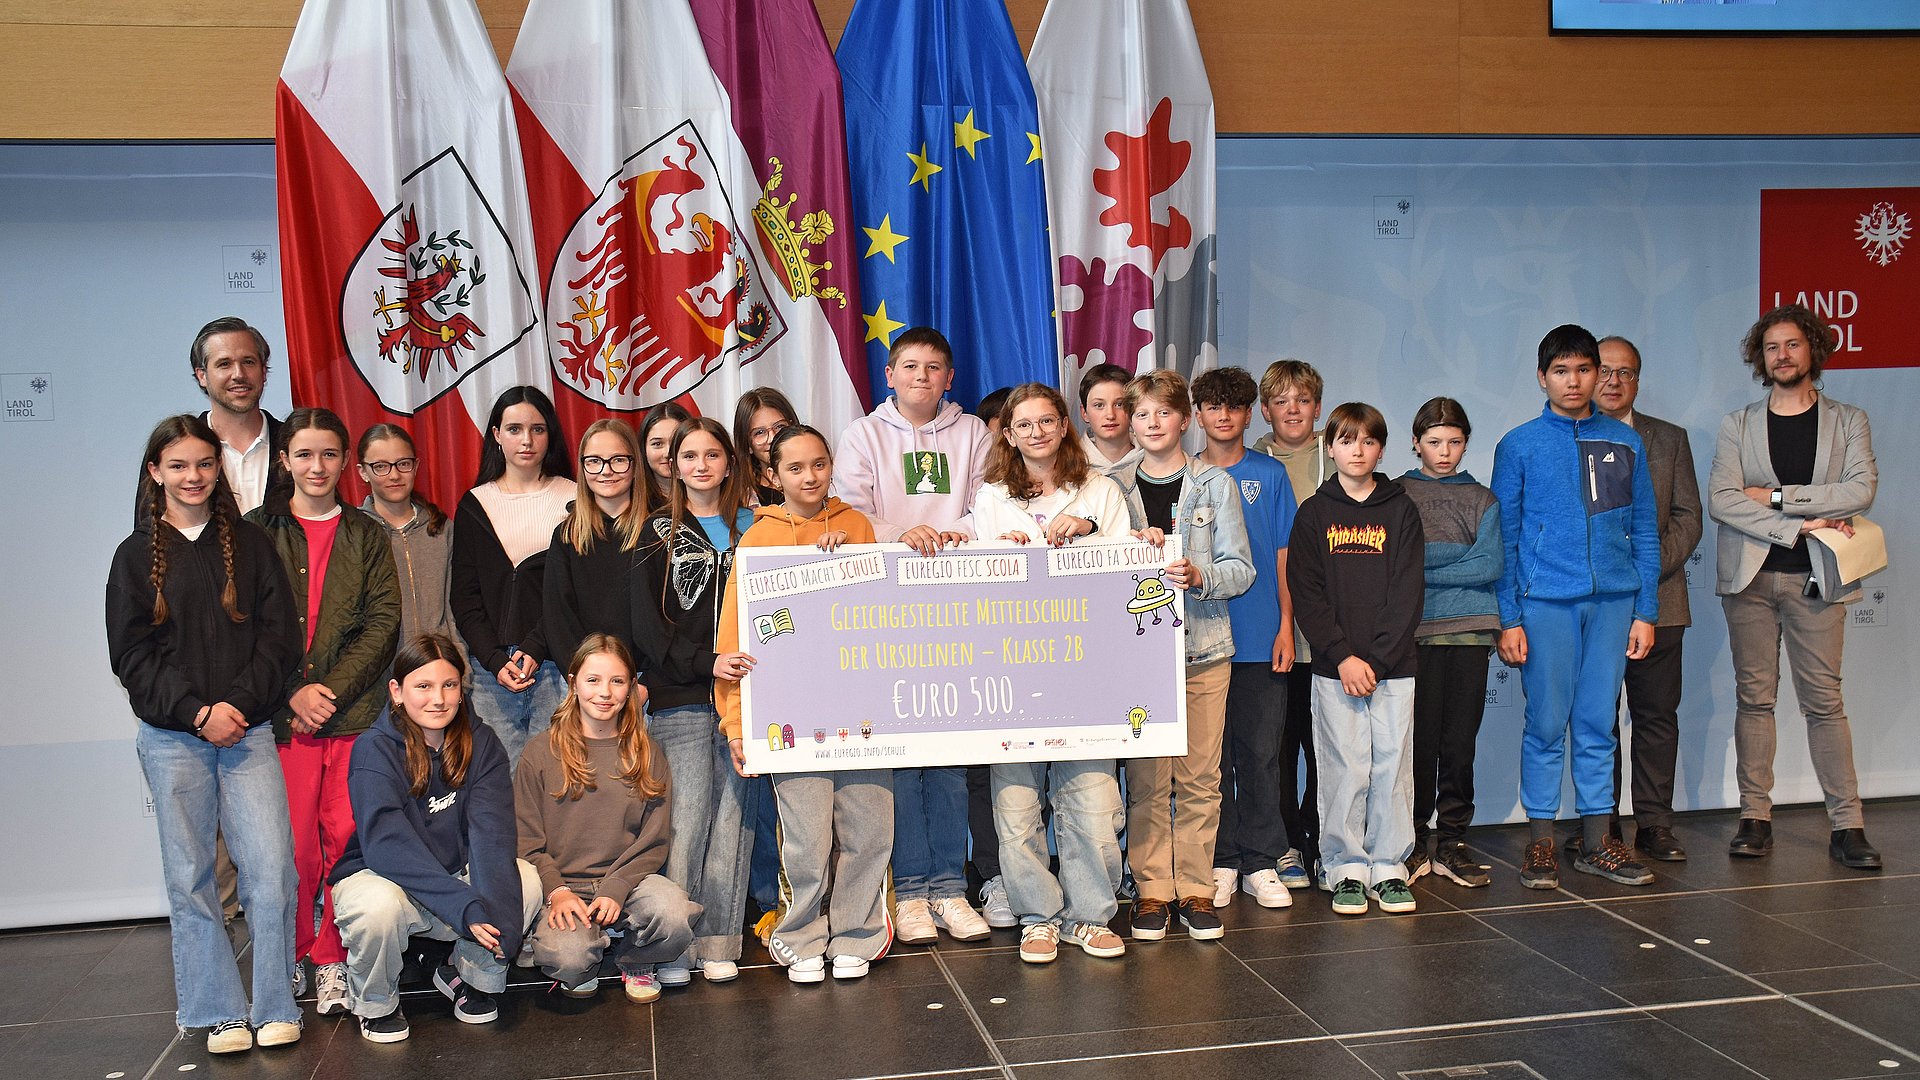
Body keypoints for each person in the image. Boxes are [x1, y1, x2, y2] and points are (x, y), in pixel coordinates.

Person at [107, 415, 303, 1054]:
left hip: (246, 734)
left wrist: (238, 708)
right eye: (179, 466)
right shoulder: (134, 556)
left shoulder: (249, 544)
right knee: (191, 877)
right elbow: (131, 658)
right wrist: (196, 713)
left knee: (271, 870)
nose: (193, 477)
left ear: (219, 471)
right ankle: (219, 1010)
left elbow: (279, 639)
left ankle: (275, 1004)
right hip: (173, 740)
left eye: (204, 464)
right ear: (154, 472)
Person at [716, 425, 894, 983]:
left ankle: (858, 933)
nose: (810, 477)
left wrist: (848, 566)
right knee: (806, 837)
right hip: (790, 716)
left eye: (819, 465)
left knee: (869, 828)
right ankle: (799, 936)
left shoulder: (856, 525)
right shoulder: (757, 540)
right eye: (795, 468)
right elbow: (734, 640)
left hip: (861, 710)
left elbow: (885, 613)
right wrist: (735, 722)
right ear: (772, 476)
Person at [833, 326, 992, 946]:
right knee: (901, 755)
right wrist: (905, 535)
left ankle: (950, 886)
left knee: (950, 758)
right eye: (909, 366)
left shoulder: (974, 431)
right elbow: (852, 513)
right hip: (889, 610)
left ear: (949, 378)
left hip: (957, 609)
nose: (922, 376)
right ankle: (913, 888)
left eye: (934, 368)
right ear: (890, 374)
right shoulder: (862, 435)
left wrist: (956, 533)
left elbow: (988, 504)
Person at [1708, 304, 1881, 870]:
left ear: (1814, 350)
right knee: (1754, 701)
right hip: (1752, 581)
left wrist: (1779, 497)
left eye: (1792, 345)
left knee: (1825, 705)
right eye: (1772, 347)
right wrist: (1798, 524)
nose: (1782, 356)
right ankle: (1754, 819)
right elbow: (1723, 500)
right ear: (1760, 358)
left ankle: (1847, 825)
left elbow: (1858, 492)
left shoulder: (1848, 420)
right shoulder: (1738, 424)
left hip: (1818, 580)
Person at [246, 408, 402, 1017]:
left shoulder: (367, 535)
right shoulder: (258, 531)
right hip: (283, 718)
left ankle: (332, 959)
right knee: (291, 849)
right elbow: (250, 624)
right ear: (284, 460)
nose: (317, 467)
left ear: (346, 463)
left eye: (329, 455)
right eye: (304, 454)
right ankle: (290, 951)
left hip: (352, 717)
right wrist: (292, 692)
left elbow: (382, 623)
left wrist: (327, 692)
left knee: (343, 842)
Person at [1494, 324, 1660, 890]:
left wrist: (1646, 609)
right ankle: (1540, 843)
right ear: (1543, 378)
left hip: (1615, 603)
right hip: (1545, 605)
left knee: (1597, 724)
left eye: (1584, 370)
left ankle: (1597, 842)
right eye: (1561, 371)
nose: (1573, 381)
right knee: (1545, 723)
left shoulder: (1624, 441)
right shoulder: (1518, 444)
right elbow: (1506, 539)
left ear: (1600, 375)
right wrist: (1510, 618)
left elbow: (1643, 529)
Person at [971, 383, 1132, 963]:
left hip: (1088, 671)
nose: (1036, 432)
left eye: (1047, 421)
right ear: (1008, 434)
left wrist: (1089, 534)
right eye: (1024, 424)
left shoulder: (1100, 490)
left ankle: (1090, 916)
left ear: (1065, 425)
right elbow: (965, 582)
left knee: (1090, 798)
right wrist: (994, 550)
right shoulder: (990, 499)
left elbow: (1134, 571)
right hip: (1011, 669)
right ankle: (1037, 915)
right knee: (1015, 804)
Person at [329, 634, 543, 1042]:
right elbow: (387, 845)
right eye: (423, 686)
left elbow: (492, 837)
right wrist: (463, 905)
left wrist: (495, 915)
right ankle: (377, 1003)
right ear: (397, 691)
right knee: (377, 908)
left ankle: (469, 974)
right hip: (386, 876)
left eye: (449, 685)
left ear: (462, 691)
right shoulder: (373, 749)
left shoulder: (482, 745)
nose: (438, 699)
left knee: (525, 880)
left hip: (454, 875)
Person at [1112, 370, 1255, 942]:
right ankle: (1151, 891)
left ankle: (1195, 887)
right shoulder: (1110, 484)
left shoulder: (1213, 485)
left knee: (1199, 775)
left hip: (1203, 648)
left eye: (1163, 414)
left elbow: (1241, 570)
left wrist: (1200, 575)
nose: (1151, 424)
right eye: (1141, 415)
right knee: (1148, 780)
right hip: (1137, 657)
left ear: (1184, 420)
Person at [631, 417, 761, 985]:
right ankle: (674, 946)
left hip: (749, 697)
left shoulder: (757, 527)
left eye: (713, 454)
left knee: (735, 819)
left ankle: (719, 940)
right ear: (673, 465)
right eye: (689, 456)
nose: (701, 465)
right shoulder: (652, 532)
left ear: (730, 463)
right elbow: (645, 626)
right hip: (680, 696)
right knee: (684, 821)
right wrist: (702, 663)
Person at [1287, 402, 1426, 916]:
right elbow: (1307, 593)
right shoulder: (1314, 514)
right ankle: (1345, 866)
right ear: (1330, 448)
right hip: (1334, 669)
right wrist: (1343, 657)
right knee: (1344, 766)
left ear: (1381, 449)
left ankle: (1389, 866)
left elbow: (1408, 590)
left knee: (1391, 765)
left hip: (1393, 668)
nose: (1358, 450)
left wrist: (1379, 660)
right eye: (1347, 441)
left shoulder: (1400, 510)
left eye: (1368, 442)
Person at [515, 634, 695, 1003]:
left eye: (617, 681)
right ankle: (577, 938)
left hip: (628, 881)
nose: (605, 692)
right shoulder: (539, 752)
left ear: (631, 688)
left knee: (675, 918)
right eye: (593, 680)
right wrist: (557, 891)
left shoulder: (647, 753)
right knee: (569, 962)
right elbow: (526, 840)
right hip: (563, 887)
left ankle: (635, 958)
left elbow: (654, 840)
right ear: (573, 683)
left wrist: (617, 886)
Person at [1590, 336, 1702, 863]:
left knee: (1656, 716)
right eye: (1604, 370)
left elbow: (1688, 517)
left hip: (1662, 600)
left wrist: (1645, 570)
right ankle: (1601, 823)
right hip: (1592, 604)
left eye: (1625, 372)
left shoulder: (1670, 439)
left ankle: (1654, 824)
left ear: (1638, 379)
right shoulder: (1569, 435)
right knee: (1597, 717)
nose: (1613, 381)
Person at [1190, 366, 1298, 910]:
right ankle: (1221, 858)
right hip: (1202, 638)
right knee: (1210, 760)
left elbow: (1283, 555)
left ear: (1249, 415)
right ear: (1198, 415)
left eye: (1234, 407)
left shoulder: (1270, 475)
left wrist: (1286, 625)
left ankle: (1262, 860)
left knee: (1259, 753)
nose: (1224, 416)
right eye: (1213, 407)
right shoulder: (1186, 477)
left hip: (1260, 635)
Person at [1399, 398, 1501, 888]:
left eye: (1455, 442)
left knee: (1459, 743)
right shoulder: (1394, 495)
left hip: (1469, 633)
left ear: (1466, 443)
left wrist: (1425, 563)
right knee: (1416, 742)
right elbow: (1397, 565)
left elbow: (1488, 566)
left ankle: (1454, 838)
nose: (1445, 452)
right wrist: (1450, 560)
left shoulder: (1483, 499)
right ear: (1416, 442)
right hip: (1412, 635)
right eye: (1434, 442)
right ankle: (1414, 839)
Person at [451, 387, 573, 765]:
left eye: (537, 429)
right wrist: (491, 659)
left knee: (555, 788)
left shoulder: (574, 498)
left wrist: (536, 648)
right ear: (496, 435)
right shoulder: (474, 504)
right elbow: (465, 599)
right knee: (497, 790)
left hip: (557, 667)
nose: (527, 440)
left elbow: (572, 594)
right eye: (515, 428)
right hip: (491, 674)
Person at [1253, 358, 1329, 889]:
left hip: (1326, 631)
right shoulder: (1248, 460)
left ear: (1317, 407)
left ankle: (1318, 836)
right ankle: (1283, 845)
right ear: (1265, 410)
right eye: (1281, 401)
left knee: (1323, 744)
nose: (1293, 409)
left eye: (1303, 400)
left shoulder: (1340, 453)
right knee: (1274, 747)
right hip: (1273, 629)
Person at [543, 419, 647, 669]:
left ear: (635, 466)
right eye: (594, 461)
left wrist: (651, 682)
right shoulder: (567, 536)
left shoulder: (657, 532)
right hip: (587, 681)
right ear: (582, 467)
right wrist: (585, 677)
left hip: (647, 682)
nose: (606, 471)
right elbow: (558, 620)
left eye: (618, 460)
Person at [358, 423, 462, 651]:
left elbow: (455, 610)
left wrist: (460, 665)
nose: (394, 475)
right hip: (381, 675)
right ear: (363, 472)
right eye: (381, 466)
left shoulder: (442, 529)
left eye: (403, 464)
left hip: (439, 668)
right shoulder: (354, 532)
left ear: (416, 467)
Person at [189, 317, 282, 515]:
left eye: (248, 362)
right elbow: (151, 534)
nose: (239, 374)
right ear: (202, 376)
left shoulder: (294, 444)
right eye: (224, 364)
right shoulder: (176, 448)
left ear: (264, 371)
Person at [733, 386, 798, 508]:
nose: (773, 438)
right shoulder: (743, 499)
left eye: (779, 426)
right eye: (759, 432)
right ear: (748, 444)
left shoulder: (815, 477)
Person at [1078, 362, 1140, 475]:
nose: (1110, 415)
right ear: (1084, 413)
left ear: (1133, 408)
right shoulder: (1069, 465)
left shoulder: (1153, 460)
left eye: (1119, 404)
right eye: (1099, 405)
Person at [639, 401, 694, 514]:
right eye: (657, 444)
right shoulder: (631, 502)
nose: (667, 453)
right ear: (643, 448)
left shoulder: (710, 497)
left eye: (675, 441)